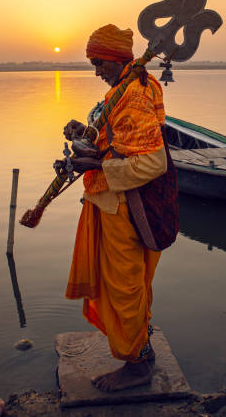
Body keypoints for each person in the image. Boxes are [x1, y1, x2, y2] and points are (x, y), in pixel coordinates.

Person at [64, 24, 171, 392]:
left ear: (117, 59)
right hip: (111, 201)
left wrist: (97, 167)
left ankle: (137, 365)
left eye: (98, 63)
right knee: (127, 286)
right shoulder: (120, 91)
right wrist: (84, 133)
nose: (96, 71)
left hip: (126, 206)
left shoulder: (136, 94)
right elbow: (115, 139)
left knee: (124, 287)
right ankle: (140, 348)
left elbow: (154, 164)